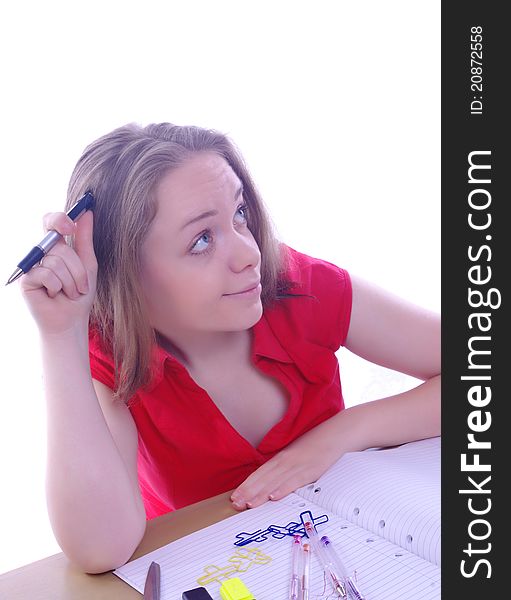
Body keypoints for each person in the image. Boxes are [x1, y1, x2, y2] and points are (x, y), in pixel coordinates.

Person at [19, 122, 440, 574]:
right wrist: (60, 336)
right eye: (201, 240)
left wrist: (341, 434)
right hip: (217, 572)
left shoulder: (297, 285)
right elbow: (99, 549)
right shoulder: (112, 352)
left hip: (348, 548)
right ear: (125, 272)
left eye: (239, 214)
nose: (249, 253)